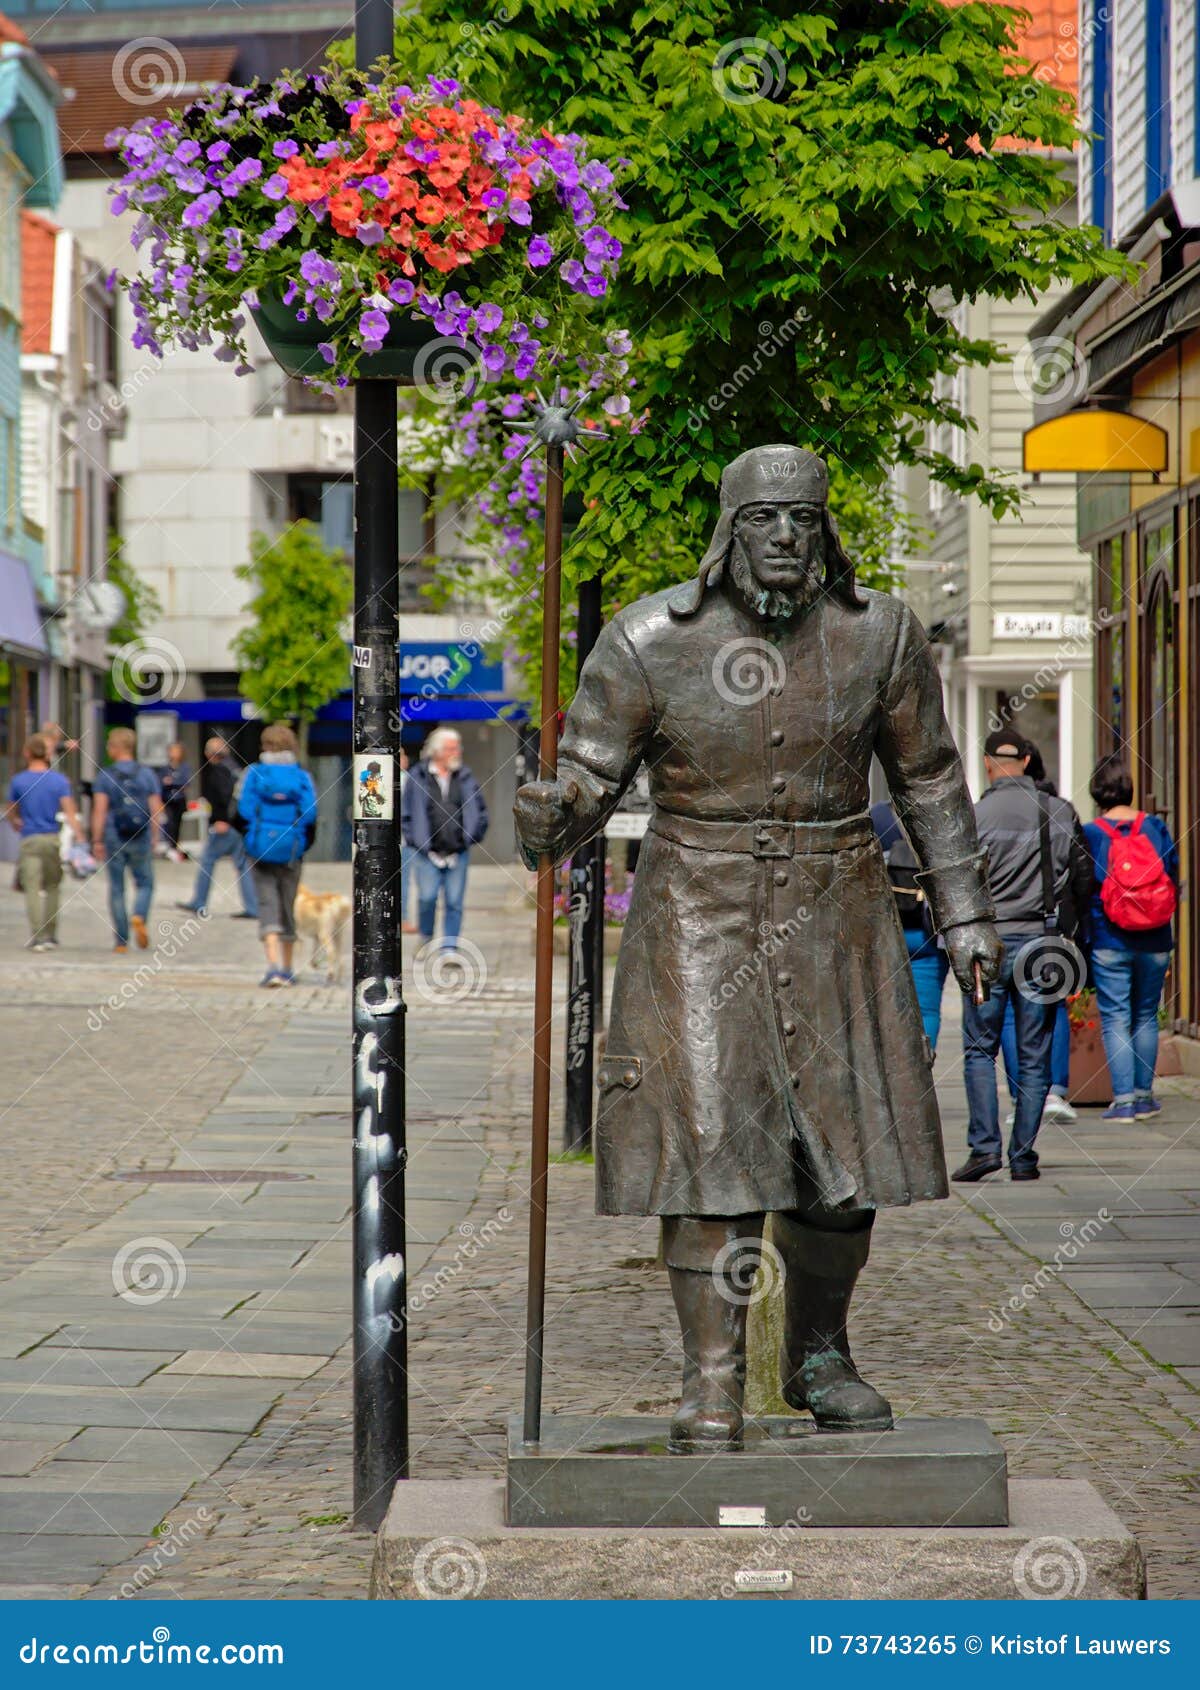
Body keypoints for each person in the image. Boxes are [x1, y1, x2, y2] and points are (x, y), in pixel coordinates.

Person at [515, 444, 1002, 1452]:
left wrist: (965, 915)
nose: (785, 537)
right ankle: (711, 1379)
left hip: (842, 910)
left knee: (844, 1166)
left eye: (804, 519)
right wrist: (546, 813)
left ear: (829, 532)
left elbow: (931, 783)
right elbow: (585, 789)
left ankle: (818, 1352)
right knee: (711, 1155)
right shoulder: (650, 638)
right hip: (698, 907)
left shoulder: (883, 636)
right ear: (725, 533)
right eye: (763, 520)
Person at [954, 730, 1094, 1183]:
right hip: (1041, 942)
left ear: (989, 764)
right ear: (1029, 761)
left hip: (987, 943)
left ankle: (984, 1148)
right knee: (1034, 1054)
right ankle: (1022, 1155)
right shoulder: (1058, 811)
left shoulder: (973, 817)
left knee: (979, 1049)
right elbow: (1083, 882)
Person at [1082, 754, 1179, 1122]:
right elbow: (1172, 874)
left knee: (1116, 1018)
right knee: (1145, 1016)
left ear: (1096, 789)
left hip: (1110, 938)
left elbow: (1083, 884)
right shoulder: (1155, 826)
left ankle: (1122, 1101)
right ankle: (1144, 1097)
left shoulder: (1091, 834)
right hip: (1155, 939)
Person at [998, 737, 1082, 1127]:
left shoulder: (987, 809)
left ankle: (1021, 1095)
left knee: (1014, 1020)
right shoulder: (1059, 811)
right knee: (1053, 1008)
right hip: (1049, 926)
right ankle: (1054, 1092)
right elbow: (1082, 873)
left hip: (1003, 926)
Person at [237, 722, 318, 987]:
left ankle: (271, 967)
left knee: (266, 904)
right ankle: (287, 967)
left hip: (260, 847)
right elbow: (311, 814)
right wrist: (302, 843)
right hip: (292, 848)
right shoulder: (301, 776)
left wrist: (253, 836)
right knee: (287, 904)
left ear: (264, 746)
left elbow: (243, 810)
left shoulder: (254, 773)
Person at [402, 728, 489, 955]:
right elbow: (406, 813)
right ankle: (426, 938)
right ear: (437, 751)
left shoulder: (465, 776)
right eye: (451, 748)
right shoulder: (417, 776)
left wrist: (472, 836)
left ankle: (449, 946)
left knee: (454, 902)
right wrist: (415, 840)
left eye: (457, 748)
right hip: (426, 852)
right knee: (427, 898)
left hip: (457, 851)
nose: (456, 752)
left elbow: (480, 811)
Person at [871, 799, 949, 1051]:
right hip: (929, 932)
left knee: (886, 1009)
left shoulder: (879, 816)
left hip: (888, 931)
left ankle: (895, 1067)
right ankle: (924, 1066)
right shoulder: (939, 818)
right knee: (927, 1010)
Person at [6, 735, 85, 951]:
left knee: (31, 888)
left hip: (29, 839)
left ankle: (37, 935)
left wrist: (16, 822)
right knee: (52, 886)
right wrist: (80, 837)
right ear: (47, 754)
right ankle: (51, 934)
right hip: (51, 838)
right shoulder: (59, 781)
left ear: (27, 753)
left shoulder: (18, 780)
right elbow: (69, 811)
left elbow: (11, 810)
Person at [90, 728, 163, 954]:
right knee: (145, 883)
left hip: (114, 835)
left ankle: (121, 941)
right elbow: (155, 808)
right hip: (140, 834)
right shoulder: (147, 774)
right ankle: (139, 915)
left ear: (115, 748)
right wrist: (155, 835)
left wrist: (97, 840)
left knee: (117, 888)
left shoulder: (105, 776)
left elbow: (99, 811)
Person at [177, 738, 258, 919]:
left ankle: (199, 901)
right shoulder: (234, 768)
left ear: (208, 754)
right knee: (243, 864)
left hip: (225, 826)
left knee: (207, 860)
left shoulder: (219, 771)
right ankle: (253, 907)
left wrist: (223, 820)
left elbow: (225, 796)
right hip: (240, 825)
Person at [157, 741, 192, 861]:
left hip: (179, 800)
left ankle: (174, 847)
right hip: (167, 800)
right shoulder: (165, 768)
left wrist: (172, 782)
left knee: (177, 824)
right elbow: (160, 782)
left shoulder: (185, 767)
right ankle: (170, 847)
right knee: (169, 823)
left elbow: (186, 782)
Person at [399, 748, 417, 934]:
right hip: (405, 840)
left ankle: (402, 918)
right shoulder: (407, 780)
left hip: (406, 840)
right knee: (404, 881)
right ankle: (402, 919)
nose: (406, 759)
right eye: (402, 756)